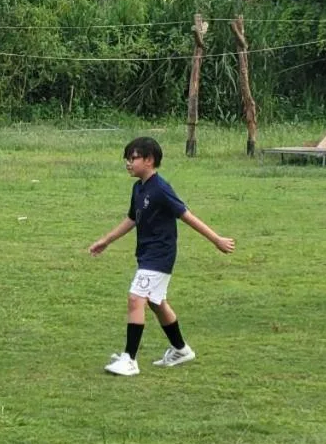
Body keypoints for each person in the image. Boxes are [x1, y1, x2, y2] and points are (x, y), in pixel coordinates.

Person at [88, 136, 235, 376]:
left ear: (149, 160)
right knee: (156, 303)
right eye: (127, 159)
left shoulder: (161, 189)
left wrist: (216, 239)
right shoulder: (139, 188)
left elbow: (186, 215)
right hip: (146, 254)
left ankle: (130, 359)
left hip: (160, 255)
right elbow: (132, 219)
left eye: (133, 158)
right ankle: (181, 350)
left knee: (136, 298)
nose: (128, 163)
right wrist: (106, 240)